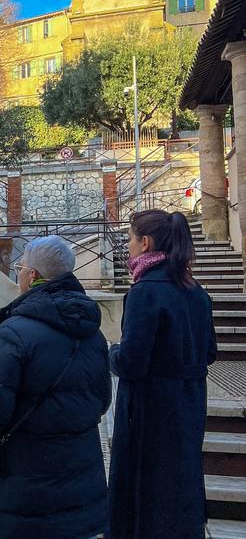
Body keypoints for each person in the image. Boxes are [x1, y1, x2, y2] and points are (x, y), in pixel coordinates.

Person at [0, 235, 111, 539]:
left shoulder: (14, 332)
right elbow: (102, 400)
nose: (18, 273)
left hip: (23, 487)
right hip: (81, 480)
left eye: (20, 267)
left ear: (32, 276)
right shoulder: (93, 334)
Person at [107, 210, 217, 539]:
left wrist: (113, 352)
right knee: (180, 484)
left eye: (129, 237)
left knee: (145, 493)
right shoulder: (195, 290)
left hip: (148, 411)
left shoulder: (144, 292)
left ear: (145, 242)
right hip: (189, 405)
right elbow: (210, 352)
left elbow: (132, 362)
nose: (127, 245)